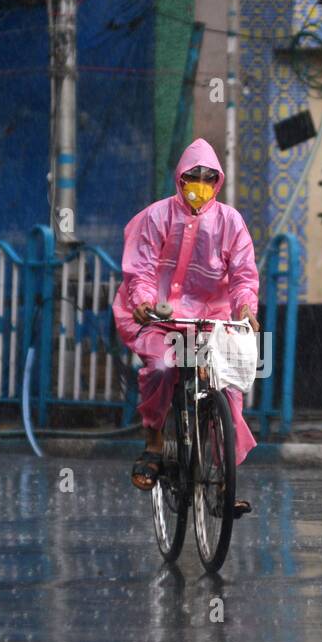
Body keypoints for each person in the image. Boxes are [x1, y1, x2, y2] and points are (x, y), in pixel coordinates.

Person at [112, 138, 258, 512]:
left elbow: (243, 275)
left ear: (218, 181)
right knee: (161, 367)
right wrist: (143, 302)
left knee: (227, 388)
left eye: (209, 178)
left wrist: (245, 308)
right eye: (194, 176)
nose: (201, 184)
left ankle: (223, 481)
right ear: (180, 178)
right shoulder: (156, 217)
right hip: (161, 317)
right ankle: (154, 441)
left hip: (210, 321)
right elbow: (140, 268)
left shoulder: (230, 222)